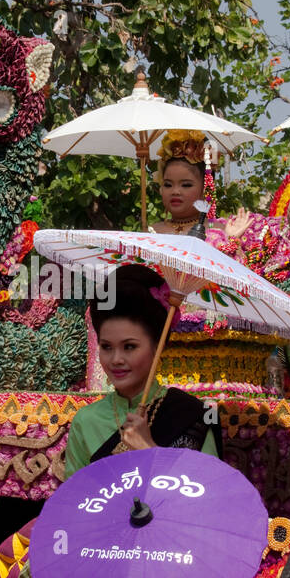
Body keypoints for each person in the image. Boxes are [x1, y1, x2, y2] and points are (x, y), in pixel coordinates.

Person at [64, 265, 221, 477]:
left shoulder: (194, 416)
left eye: (129, 346)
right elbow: (74, 501)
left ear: (158, 347)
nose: (116, 359)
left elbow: (208, 498)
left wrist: (149, 450)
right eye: (107, 347)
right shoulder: (86, 421)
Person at [149, 130, 211, 238]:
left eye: (186, 185)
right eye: (168, 185)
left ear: (205, 188)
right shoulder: (151, 232)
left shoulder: (218, 233)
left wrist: (231, 242)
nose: (175, 191)